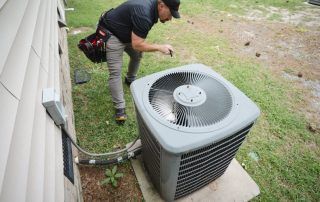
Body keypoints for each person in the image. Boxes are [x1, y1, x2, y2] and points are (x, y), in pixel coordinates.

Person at [100, 0, 181, 124]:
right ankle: (120, 108)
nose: (170, 18)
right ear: (161, 5)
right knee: (115, 72)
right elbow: (137, 44)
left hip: (127, 33)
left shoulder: (152, 9)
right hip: (111, 33)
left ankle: (130, 79)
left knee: (137, 55)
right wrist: (160, 48)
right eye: (170, 14)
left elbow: (136, 42)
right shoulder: (144, 14)